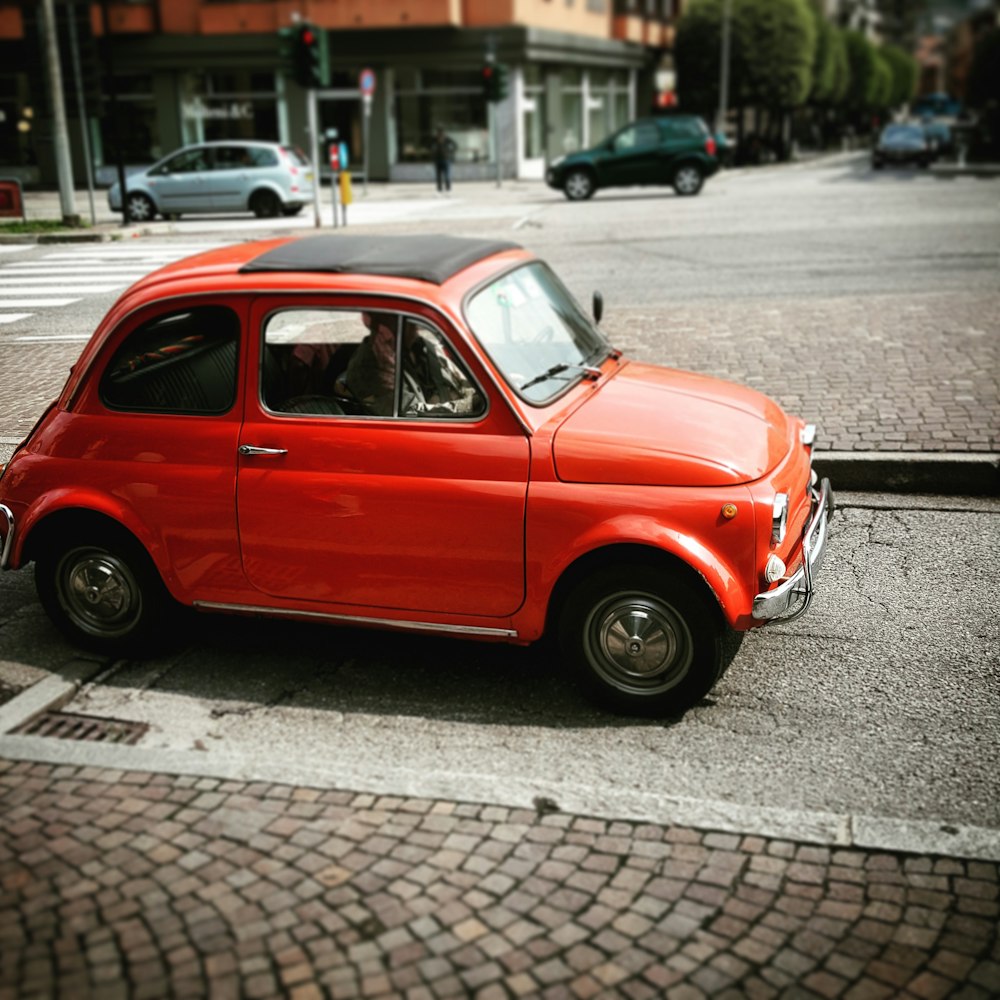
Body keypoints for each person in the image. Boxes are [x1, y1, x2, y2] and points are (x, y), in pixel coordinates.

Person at [431, 126, 457, 194]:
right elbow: (430, 146)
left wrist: (450, 152)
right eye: (439, 133)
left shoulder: (446, 139)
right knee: (439, 176)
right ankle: (440, 190)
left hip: (445, 159)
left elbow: (455, 145)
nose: (440, 135)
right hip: (438, 160)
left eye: (441, 133)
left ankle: (447, 189)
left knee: (446, 175)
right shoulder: (435, 140)